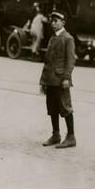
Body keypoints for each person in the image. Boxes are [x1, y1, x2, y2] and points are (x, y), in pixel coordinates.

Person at [39, 10, 76, 148]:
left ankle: (71, 137)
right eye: (52, 21)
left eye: (56, 21)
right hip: (50, 80)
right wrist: (43, 81)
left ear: (63, 23)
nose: (53, 23)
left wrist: (67, 78)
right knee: (52, 108)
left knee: (65, 107)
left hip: (61, 80)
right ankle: (56, 135)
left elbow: (71, 60)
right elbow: (47, 62)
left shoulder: (68, 38)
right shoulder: (52, 38)